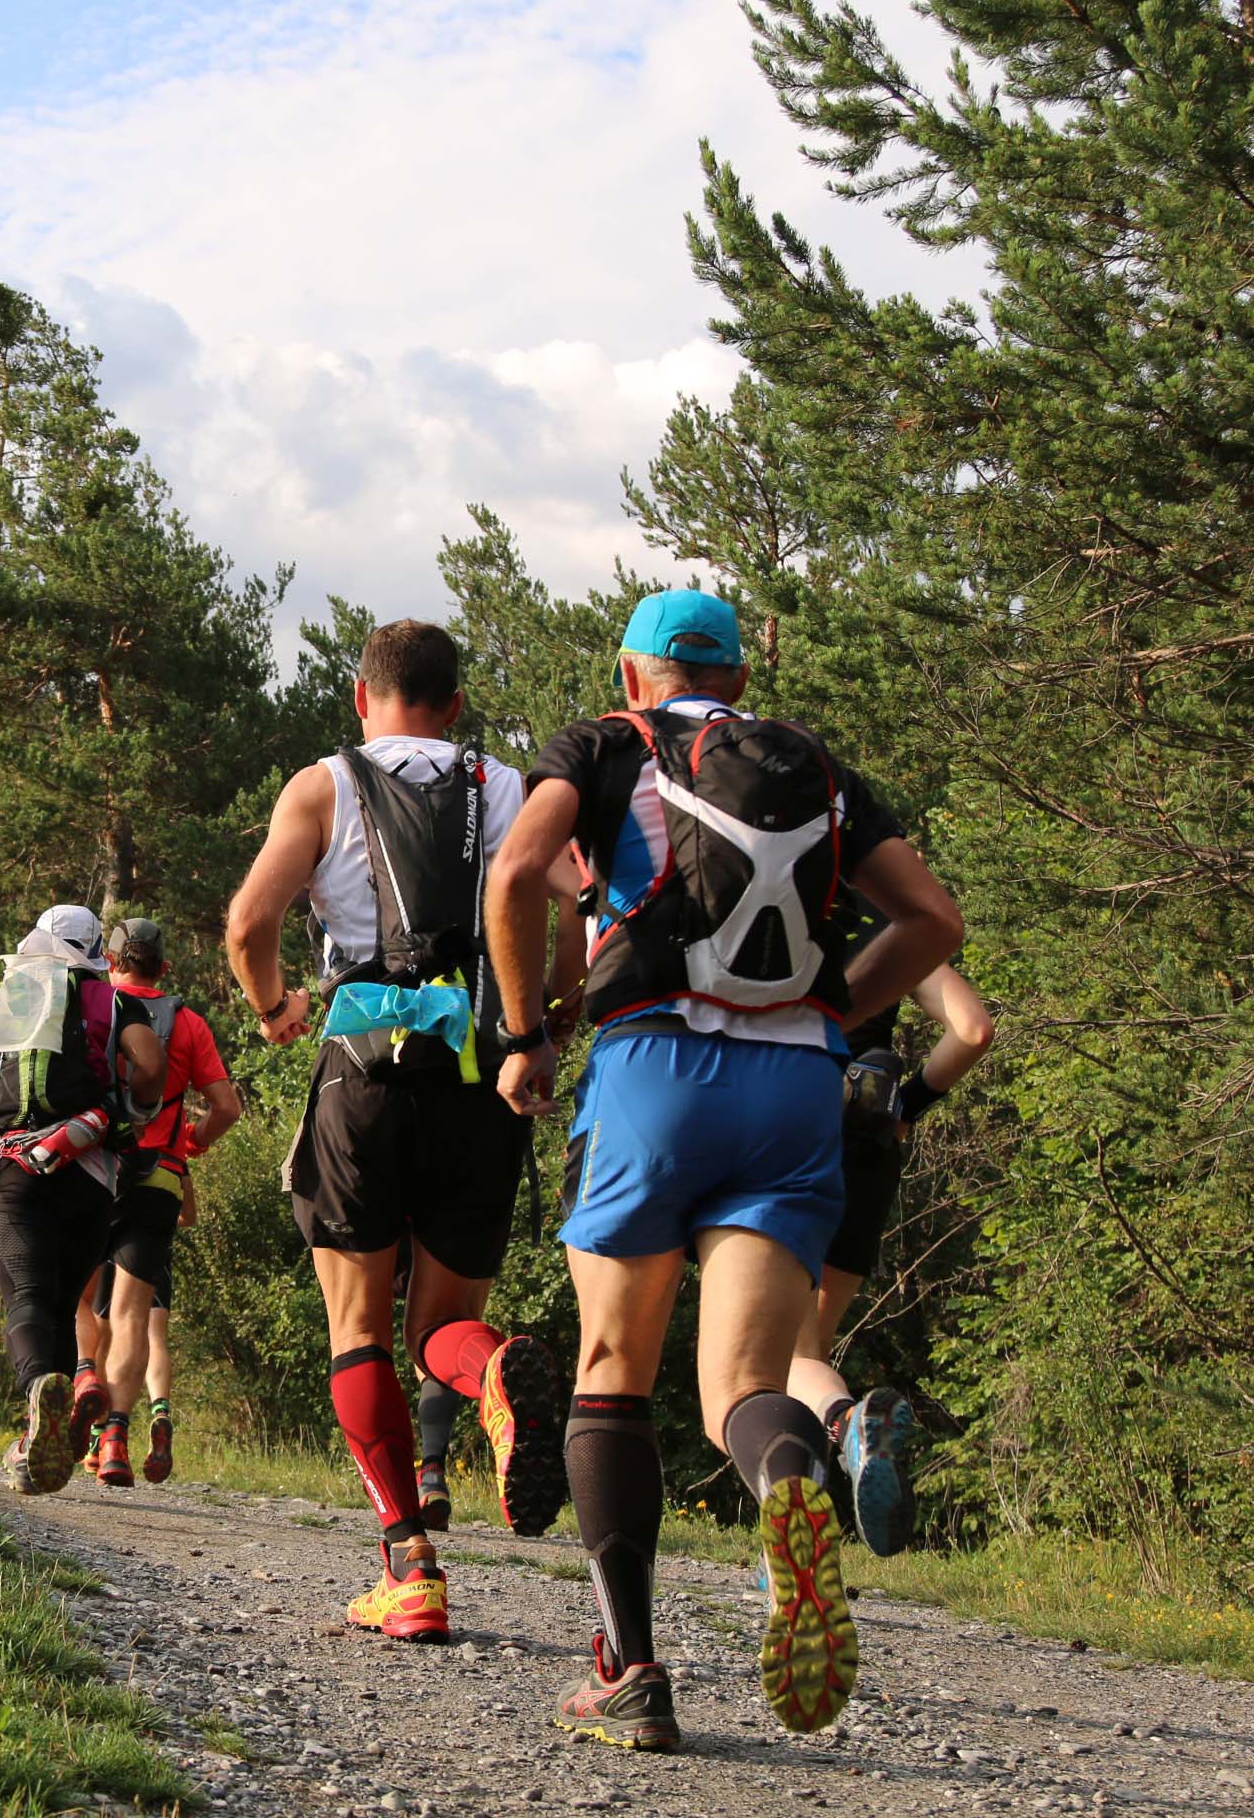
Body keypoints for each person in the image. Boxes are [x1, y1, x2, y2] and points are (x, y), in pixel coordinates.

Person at [485, 587, 964, 1749]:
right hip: (795, 1089)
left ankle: (631, 1671)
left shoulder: (605, 744)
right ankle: (790, 1480)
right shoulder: (819, 766)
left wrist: (524, 1034)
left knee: (611, 1370)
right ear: (739, 681)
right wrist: (832, 1010)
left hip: (653, 1070)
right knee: (747, 1386)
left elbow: (515, 873)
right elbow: (933, 922)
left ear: (630, 671)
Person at [223, 618, 587, 1645]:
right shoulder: (509, 788)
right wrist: (549, 1014)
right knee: (438, 1332)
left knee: (358, 1330)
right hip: (479, 1074)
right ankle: (494, 1374)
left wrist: (271, 1008)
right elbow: (588, 909)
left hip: (364, 1073)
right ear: (457, 703)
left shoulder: (323, 785)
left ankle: (408, 1569)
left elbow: (250, 922)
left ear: (360, 696)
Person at [0, 904, 165, 1494]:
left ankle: (39, 1389)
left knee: (25, 1297)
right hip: (91, 1168)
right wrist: (130, 1109)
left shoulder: (1, 996)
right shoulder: (113, 1001)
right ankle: (52, 1434)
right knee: (62, 1305)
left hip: (19, 1167)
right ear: (91, 951)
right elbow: (151, 1067)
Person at [791, 929, 992, 1552]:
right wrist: (909, 1105)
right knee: (807, 1355)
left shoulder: (772, 904)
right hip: (868, 1148)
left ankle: (843, 1429)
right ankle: (806, 1525)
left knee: (776, 1361)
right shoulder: (894, 934)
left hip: (787, 1131)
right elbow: (973, 1030)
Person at [77, 915, 242, 1489]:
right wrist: (185, 1143)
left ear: (112, 961)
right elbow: (226, 1107)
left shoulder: (90, 1006)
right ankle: (118, 1434)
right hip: (158, 1177)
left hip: (90, 1165)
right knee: (129, 1314)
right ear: (163, 968)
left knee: (80, 1304)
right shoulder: (188, 1022)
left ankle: (81, 1395)